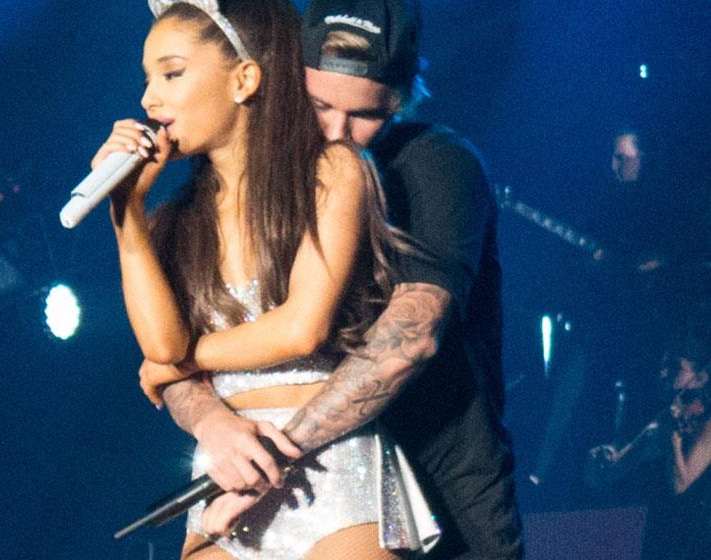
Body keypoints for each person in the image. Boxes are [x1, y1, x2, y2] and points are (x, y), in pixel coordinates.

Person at [153, 1, 524, 558]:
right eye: (319, 104)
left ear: (400, 101)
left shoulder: (436, 165)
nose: (336, 131)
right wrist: (210, 421)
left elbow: (411, 339)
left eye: (365, 115)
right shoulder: (259, 188)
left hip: (448, 498)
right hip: (284, 487)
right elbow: (179, 356)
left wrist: (268, 455)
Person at [99, 0, 438, 558]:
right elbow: (161, 348)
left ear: (244, 79)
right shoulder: (170, 224)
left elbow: (301, 329)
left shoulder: (333, 172)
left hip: (331, 469)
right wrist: (127, 214)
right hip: (227, 467)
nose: (148, 99)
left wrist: (182, 362)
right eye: (147, 79)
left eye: (172, 73)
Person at [584, 337, 711, 560]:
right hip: (655, 536)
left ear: (700, 378)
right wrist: (599, 462)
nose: (663, 373)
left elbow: (680, 484)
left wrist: (672, 437)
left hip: (691, 542)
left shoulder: (705, 423)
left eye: (675, 367)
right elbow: (614, 471)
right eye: (664, 365)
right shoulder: (663, 419)